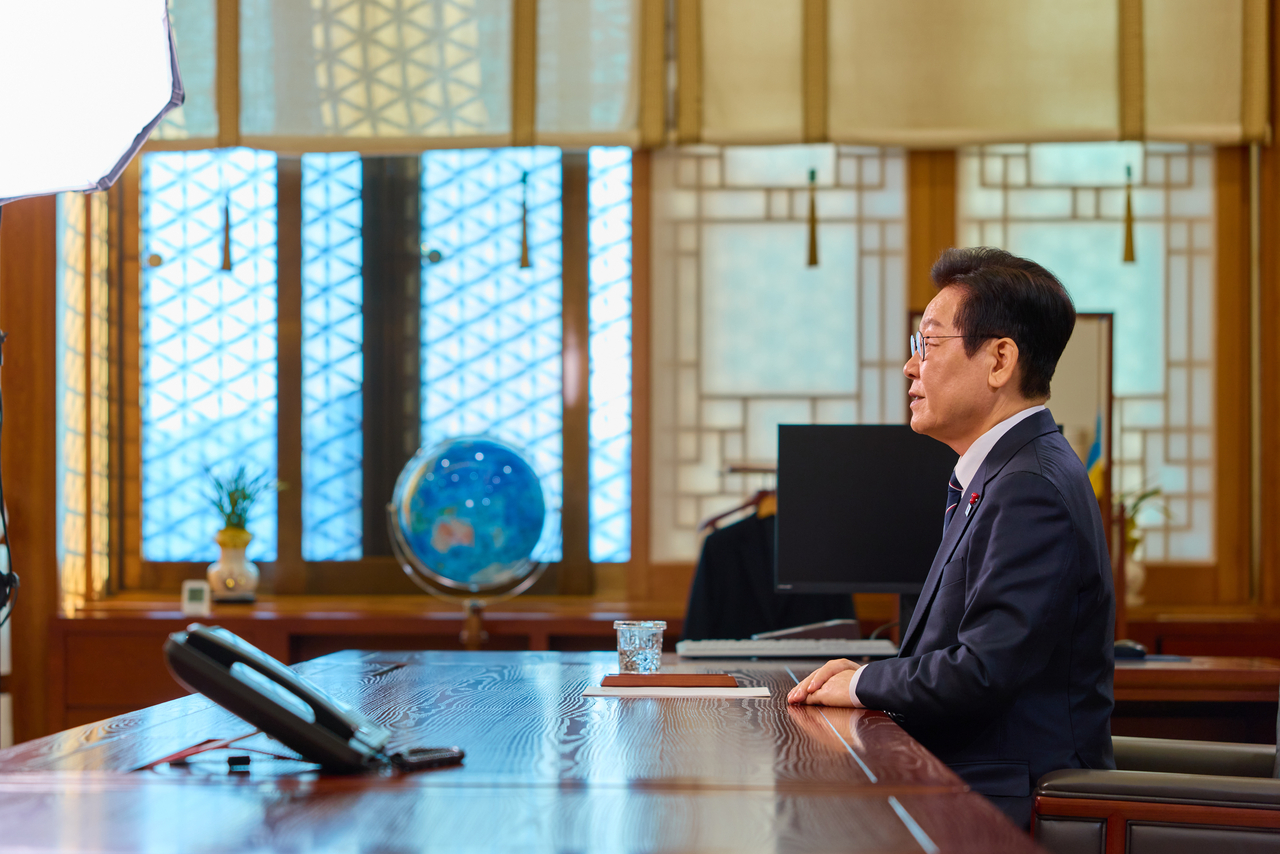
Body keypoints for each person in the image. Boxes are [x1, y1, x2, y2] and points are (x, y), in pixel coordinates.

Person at [786, 247, 1115, 829]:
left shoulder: (1029, 485)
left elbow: (982, 670)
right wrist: (861, 676)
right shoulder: (999, 473)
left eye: (928, 344)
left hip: (1007, 798)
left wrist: (860, 683)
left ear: (998, 360)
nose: (911, 368)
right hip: (968, 776)